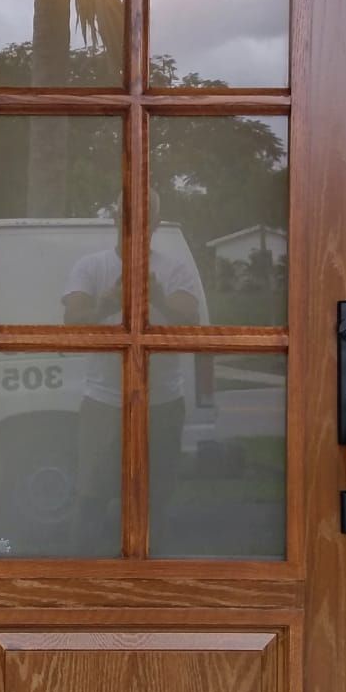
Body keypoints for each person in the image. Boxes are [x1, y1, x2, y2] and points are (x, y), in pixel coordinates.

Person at [62, 190, 205, 553]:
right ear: (116, 219)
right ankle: (82, 583)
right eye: (129, 216)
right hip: (104, 403)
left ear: (156, 223)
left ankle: (149, 582)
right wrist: (108, 303)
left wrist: (156, 298)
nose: (138, 224)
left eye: (147, 217)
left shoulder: (174, 269)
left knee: (155, 500)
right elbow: (72, 322)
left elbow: (191, 320)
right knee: (91, 496)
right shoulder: (91, 266)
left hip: (162, 404)